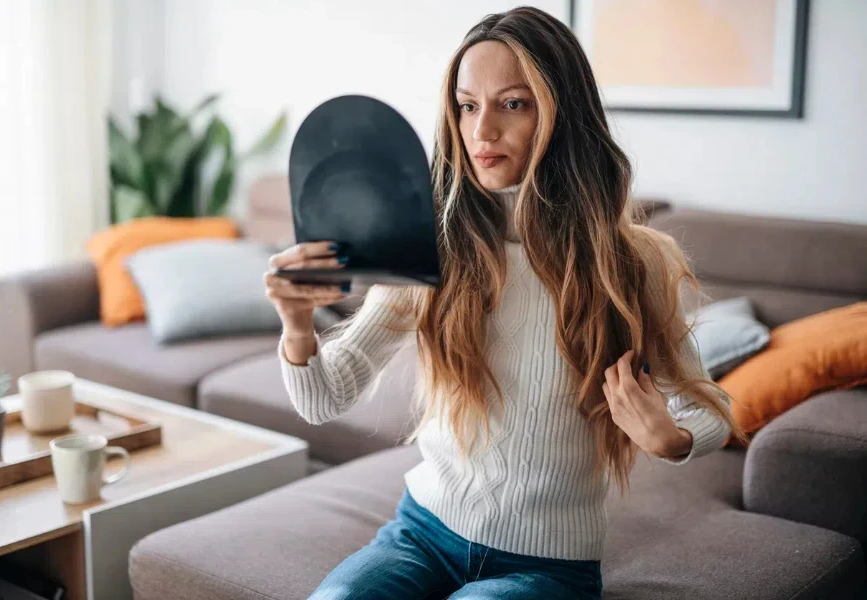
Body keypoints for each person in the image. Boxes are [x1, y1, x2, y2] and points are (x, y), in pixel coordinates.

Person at [264, 6, 746, 599]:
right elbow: (324, 398)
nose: (481, 131)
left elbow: (712, 409)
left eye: (512, 104)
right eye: (468, 106)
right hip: (420, 534)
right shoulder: (435, 247)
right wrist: (297, 327)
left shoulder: (631, 262)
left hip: (547, 565)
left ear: (559, 114)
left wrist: (670, 437)